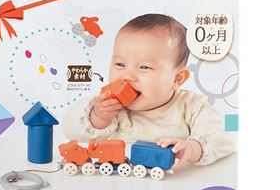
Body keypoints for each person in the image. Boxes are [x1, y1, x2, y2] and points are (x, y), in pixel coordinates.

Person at [62, 14, 235, 167]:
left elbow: (224, 139)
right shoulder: (107, 107)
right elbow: (70, 131)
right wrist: (98, 118)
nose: (127, 76)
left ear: (177, 79)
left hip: (170, 187)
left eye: (144, 67)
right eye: (120, 64)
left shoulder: (192, 106)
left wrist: (192, 148)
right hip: (117, 185)